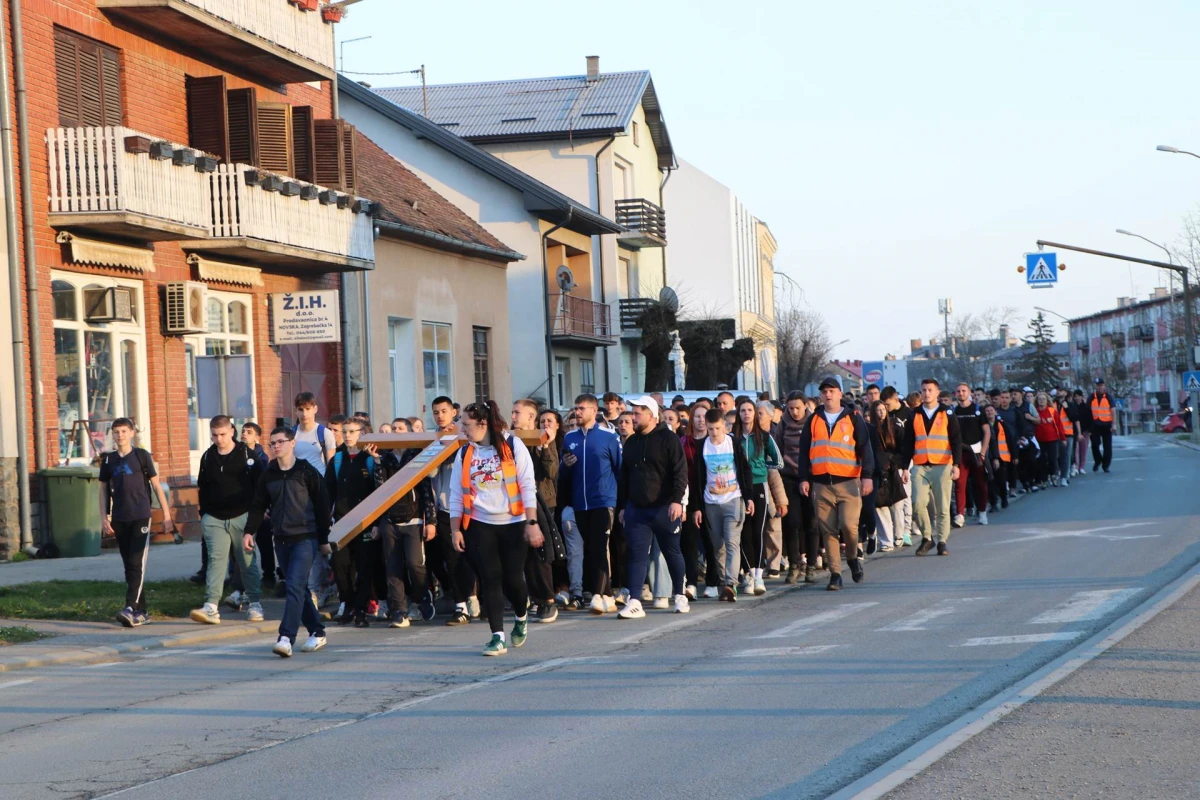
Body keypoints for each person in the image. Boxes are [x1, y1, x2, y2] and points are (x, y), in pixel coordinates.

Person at [449, 401, 542, 656]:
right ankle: (497, 636)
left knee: (513, 580)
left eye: (466, 424)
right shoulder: (465, 453)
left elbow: (527, 486)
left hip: (513, 523)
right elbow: (456, 493)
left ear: (482, 423)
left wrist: (532, 523)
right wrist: (455, 529)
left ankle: (522, 616)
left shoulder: (513, 445)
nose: (462, 430)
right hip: (479, 525)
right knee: (490, 578)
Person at [245, 427, 332, 658]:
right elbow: (258, 505)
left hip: (306, 537)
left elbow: (323, 507)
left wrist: (324, 539)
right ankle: (317, 631)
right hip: (281, 539)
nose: (276, 446)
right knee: (299, 588)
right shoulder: (269, 473)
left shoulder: (306, 471)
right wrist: (248, 532)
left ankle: (286, 637)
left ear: (292, 443)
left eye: (281, 442)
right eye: (272, 443)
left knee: (293, 585)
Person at [798, 376, 875, 590]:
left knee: (849, 527)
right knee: (828, 530)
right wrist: (805, 478)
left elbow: (865, 448)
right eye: (824, 391)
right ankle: (835, 574)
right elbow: (804, 452)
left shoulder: (853, 417)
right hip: (821, 484)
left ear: (840, 394)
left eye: (832, 390)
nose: (828, 394)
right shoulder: (814, 419)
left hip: (849, 483)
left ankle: (852, 558)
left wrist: (867, 475)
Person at [616, 396, 690, 617]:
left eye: (637, 413)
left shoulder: (669, 439)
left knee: (671, 552)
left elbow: (680, 472)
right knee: (637, 554)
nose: (633, 417)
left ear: (651, 415)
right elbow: (625, 476)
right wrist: (622, 506)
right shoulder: (631, 442)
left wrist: (678, 501)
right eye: (633, 413)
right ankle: (635, 601)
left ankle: (680, 595)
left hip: (665, 507)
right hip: (637, 509)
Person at [99, 418, 174, 627]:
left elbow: (157, 486)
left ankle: (130, 607)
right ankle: (142, 612)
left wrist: (166, 515)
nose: (120, 435)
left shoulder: (142, 456)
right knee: (128, 565)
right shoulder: (109, 460)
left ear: (132, 433)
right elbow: (103, 489)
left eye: (124, 431)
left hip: (140, 515)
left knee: (136, 562)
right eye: (116, 432)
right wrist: (104, 517)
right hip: (120, 517)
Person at [191, 415, 264, 625]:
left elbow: (261, 484)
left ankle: (255, 602)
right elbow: (202, 487)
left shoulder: (246, 454)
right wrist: (204, 514)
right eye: (214, 435)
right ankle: (211, 606)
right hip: (214, 517)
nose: (219, 439)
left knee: (246, 559)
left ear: (232, 431)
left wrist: (258, 513)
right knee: (216, 560)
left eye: (222, 434)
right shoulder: (207, 457)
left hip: (243, 515)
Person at [558, 393, 622, 615]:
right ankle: (608, 595)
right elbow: (564, 473)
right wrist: (565, 465)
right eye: (576, 408)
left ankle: (596, 594)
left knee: (598, 546)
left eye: (582, 408)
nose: (577, 412)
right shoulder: (569, 438)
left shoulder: (609, 436)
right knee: (591, 548)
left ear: (594, 411)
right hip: (580, 504)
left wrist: (619, 502)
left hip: (603, 501)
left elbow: (619, 469)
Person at [374, 425, 436, 628]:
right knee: (392, 567)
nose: (396, 432)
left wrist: (431, 521)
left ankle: (421, 596)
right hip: (390, 521)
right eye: (393, 429)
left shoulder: (416, 456)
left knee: (414, 564)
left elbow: (426, 490)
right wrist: (376, 461)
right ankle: (399, 612)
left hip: (414, 519)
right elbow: (379, 489)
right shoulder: (385, 457)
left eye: (400, 428)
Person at [691, 406, 753, 601]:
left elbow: (745, 469)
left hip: (733, 498)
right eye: (711, 429)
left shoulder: (733, 443)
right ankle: (722, 578)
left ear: (725, 426)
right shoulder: (702, 447)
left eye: (718, 428)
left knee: (732, 542)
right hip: (711, 501)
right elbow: (697, 478)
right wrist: (697, 508)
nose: (714, 433)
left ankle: (730, 584)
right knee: (717, 545)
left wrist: (748, 497)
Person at [428, 395, 480, 626]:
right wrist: (439, 450)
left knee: (470, 558)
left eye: (443, 411)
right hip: (444, 508)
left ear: (453, 412)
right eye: (436, 412)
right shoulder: (433, 438)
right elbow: (428, 474)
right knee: (452, 558)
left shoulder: (465, 434)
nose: (440, 416)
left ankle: (474, 597)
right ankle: (461, 606)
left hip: (470, 507)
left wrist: (455, 439)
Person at [326, 418, 384, 627]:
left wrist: (377, 523)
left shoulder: (370, 458)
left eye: (352, 431)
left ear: (362, 433)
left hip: (366, 523)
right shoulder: (338, 459)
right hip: (341, 523)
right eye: (345, 431)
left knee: (365, 567)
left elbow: (380, 492)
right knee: (340, 565)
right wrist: (327, 521)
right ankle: (348, 604)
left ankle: (360, 609)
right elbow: (328, 493)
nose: (348, 435)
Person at [900, 378, 961, 557]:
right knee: (917, 503)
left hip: (942, 464)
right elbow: (908, 441)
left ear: (937, 392)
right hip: (920, 465)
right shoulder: (914, 414)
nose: (926, 393)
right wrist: (905, 466)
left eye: (930, 390)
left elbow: (956, 440)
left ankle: (942, 541)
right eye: (924, 390)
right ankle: (927, 537)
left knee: (942, 506)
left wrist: (956, 464)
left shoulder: (947, 413)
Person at [733, 397, 786, 595]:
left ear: (755, 414)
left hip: (759, 486)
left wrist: (763, 467)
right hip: (739, 488)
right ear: (738, 414)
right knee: (744, 531)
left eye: (749, 410)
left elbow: (779, 462)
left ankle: (758, 575)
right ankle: (748, 573)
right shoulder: (733, 438)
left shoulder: (764, 437)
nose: (746, 414)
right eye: (742, 410)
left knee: (758, 530)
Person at [513, 399, 559, 623]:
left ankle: (547, 600)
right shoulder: (510, 440)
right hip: (515, 504)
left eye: (517, 413)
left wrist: (545, 447)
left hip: (541, 502)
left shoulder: (541, 439)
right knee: (521, 554)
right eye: (512, 412)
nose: (513, 417)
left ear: (531, 417)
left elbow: (550, 472)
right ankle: (533, 598)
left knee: (539, 553)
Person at [778, 391, 820, 582]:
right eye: (790, 408)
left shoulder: (814, 422)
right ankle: (794, 565)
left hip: (811, 476)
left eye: (798, 408)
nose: (794, 412)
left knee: (811, 522)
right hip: (789, 477)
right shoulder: (783, 424)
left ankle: (811, 565)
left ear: (805, 406)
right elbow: (778, 450)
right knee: (792, 522)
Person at [680, 403, 715, 596]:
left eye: (704, 417)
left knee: (711, 541)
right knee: (690, 542)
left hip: (712, 495)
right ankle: (691, 582)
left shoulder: (716, 441)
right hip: (690, 495)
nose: (701, 420)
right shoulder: (684, 442)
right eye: (697, 416)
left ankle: (712, 582)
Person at [951, 383, 990, 527]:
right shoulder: (953, 411)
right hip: (961, 453)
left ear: (969, 393)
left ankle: (982, 512)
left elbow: (987, 432)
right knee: (960, 484)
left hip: (977, 452)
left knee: (980, 484)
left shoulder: (978, 410)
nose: (961, 393)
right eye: (958, 391)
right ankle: (960, 514)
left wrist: (983, 452)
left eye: (963, 391)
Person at [869, 400, 905, 552]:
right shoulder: (870, 429)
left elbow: (902, 447)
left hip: (893, 468)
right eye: (878, 410)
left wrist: (898, 464)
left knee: (897, 505)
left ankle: (900, 535)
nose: (881, 412)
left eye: (883, 409)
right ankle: (886, 541)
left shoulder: (895, 426)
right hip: (877, 469)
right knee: (880, 505)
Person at [1033, 392, 1067, 487]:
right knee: (1042, 459)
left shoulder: (1052, 411)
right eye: (1040, 399)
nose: (1042, 401)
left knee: (1053, 459)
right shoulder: (1034, 411)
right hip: (1039, 440)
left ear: (1047, 400)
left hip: (1052, 439)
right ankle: (1044, 479)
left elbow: (1059, 425)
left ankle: (1053, 475)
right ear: (1037, 400)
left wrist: (1063, 438)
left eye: (1044, 399)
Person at [984, 403, 1012, 512]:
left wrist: (1013, 455)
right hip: (987, 456)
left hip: (1001, 456)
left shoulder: (1002, 425)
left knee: (1001, 480)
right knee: (990, 481)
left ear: (995, 412)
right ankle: (993, 503)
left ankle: (1004, 498)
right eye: (987, 411)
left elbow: (1009, 440)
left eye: (991, 410)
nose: (989, 412)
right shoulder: (983, 425)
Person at [1088, 378, 1114, 472]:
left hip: (1106, 425)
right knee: (1095, 445)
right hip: (1095, 425)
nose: (1100, 387)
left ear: (1104, 386)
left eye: (1101, 385)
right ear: (1096, 387)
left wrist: (1113, 424)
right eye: (1098, 386)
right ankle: (1098, 460)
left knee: (1107, 446)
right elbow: (1088, 411)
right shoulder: (1091, 397)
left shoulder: (1108, 397)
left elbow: (1113, 410)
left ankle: (1106, 465)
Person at [1057, 391, 1077, 479]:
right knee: (1057, 455)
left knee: (1067, 455)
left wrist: (1067, 408)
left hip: (1067, 433)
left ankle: (1066, 473)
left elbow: (1074, 418)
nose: (1060, 394)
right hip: (1055, 433)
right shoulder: (1053, 404)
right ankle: (1058, 472)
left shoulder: (1070, 405)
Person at [1073, 389, 1092, 474]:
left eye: (1078, 396)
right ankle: (1076, 466)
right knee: (1076, 449)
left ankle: (1082, 466)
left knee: (1083, 449)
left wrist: (1090, 430)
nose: (1077, 398)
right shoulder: (1072, 406)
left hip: (1085, 431)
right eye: (1075, 396)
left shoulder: (1086, 407)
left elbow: (1090, 418)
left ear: (1081, 397)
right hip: (1075, 431)